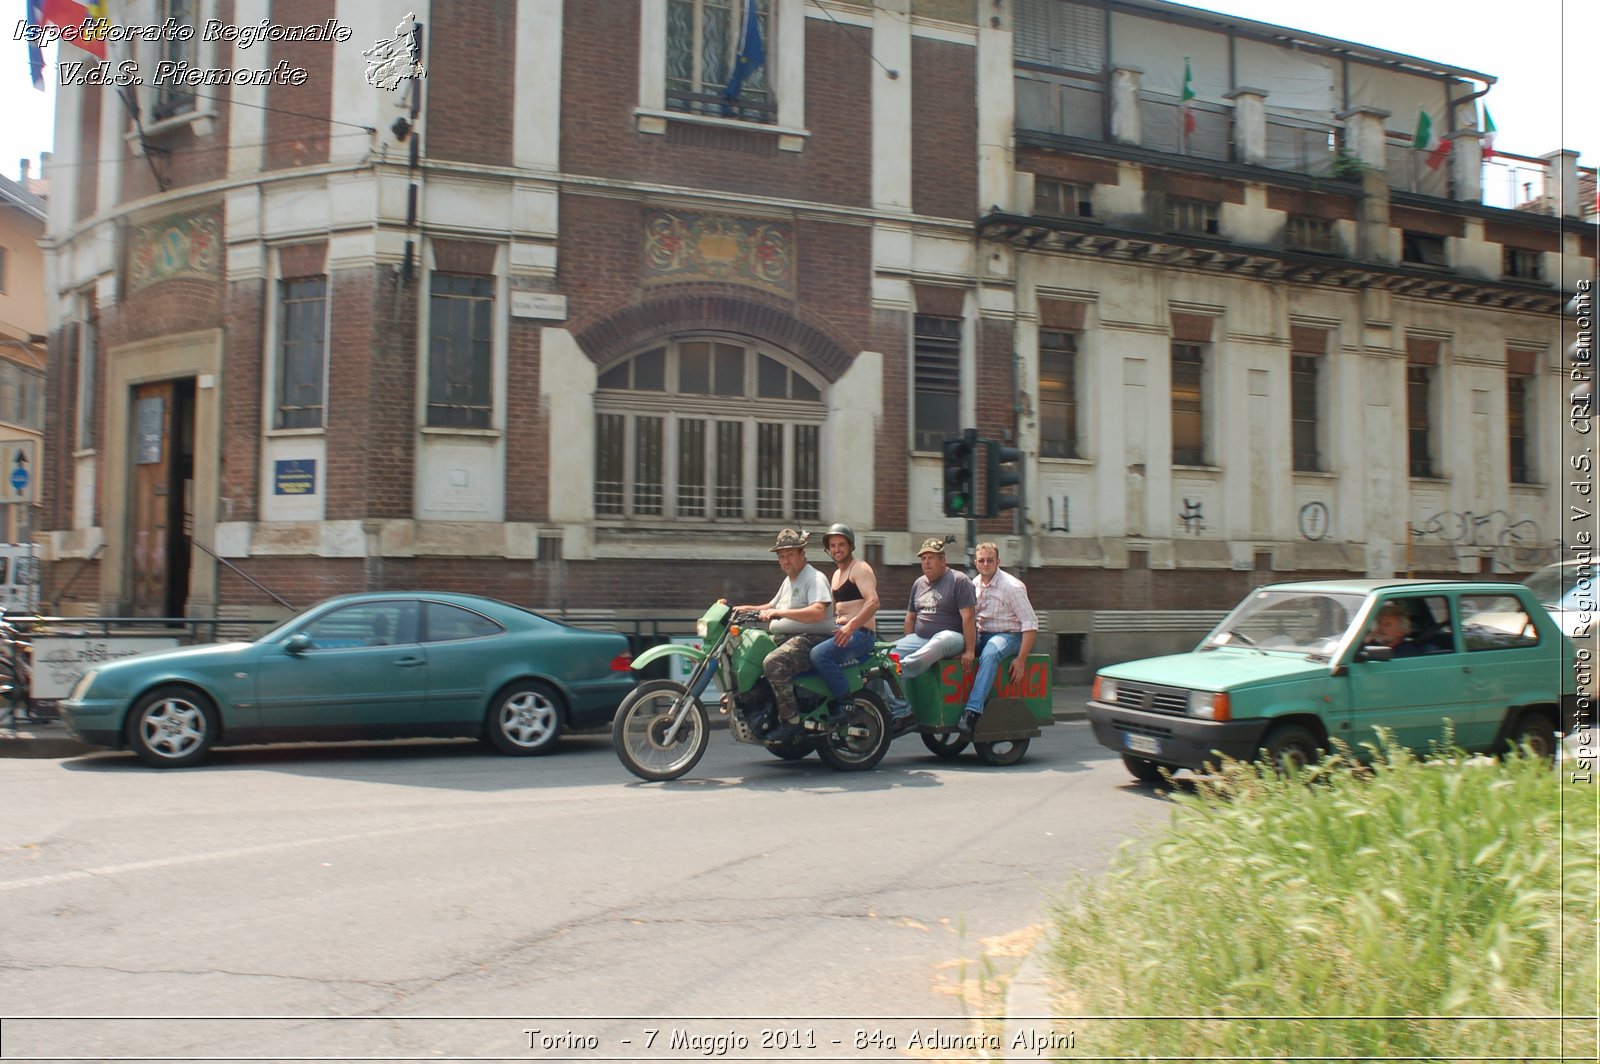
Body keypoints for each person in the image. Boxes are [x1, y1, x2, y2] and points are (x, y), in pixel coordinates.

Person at [731, 528, 834, 724]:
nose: (785, 561)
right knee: (752, 652)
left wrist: (780, 613)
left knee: (774, 662)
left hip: (813, 639)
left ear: (802, 554)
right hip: (789, 637)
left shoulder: (814, 578)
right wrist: (742, 609)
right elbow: (771, 607)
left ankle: (790, 720)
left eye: (790, 555)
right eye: (781, 556)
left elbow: (818, 611)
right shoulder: (789, 580)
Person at [884, 537, 976, 726]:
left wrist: (970, 650)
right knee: (887, 655)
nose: (926, 562)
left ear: (943, 560)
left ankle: (905, 668)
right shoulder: (918, 583)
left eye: (931, 558)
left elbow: (968, 617)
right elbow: (910, 617)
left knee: (940, 639)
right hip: (921, 638)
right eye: (923, 558)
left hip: (952, 638)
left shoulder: (959, 580)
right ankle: (902, 712)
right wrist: (907, 642)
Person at [958, 542, 1039, 739]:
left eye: (990, 560)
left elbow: (1030, 623)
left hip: (1009, 636)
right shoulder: (973, 585)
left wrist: (1021, 660)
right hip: (981, 635)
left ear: (998, 562)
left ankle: (972, 712)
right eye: (982, 560)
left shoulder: (1011, 587)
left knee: (991, 653)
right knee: (955, 645)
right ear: (975, 563)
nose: (986, 564)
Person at [809, 523, 879, 711]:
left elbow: (873, 602)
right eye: (832, 545)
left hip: (861, 635)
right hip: (841, 631)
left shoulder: (860, 568)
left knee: (819, 654)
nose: (837, 549)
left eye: (841, 544)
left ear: (850, 546)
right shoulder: (836, 575)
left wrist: (851, 626)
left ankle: (844, 702)